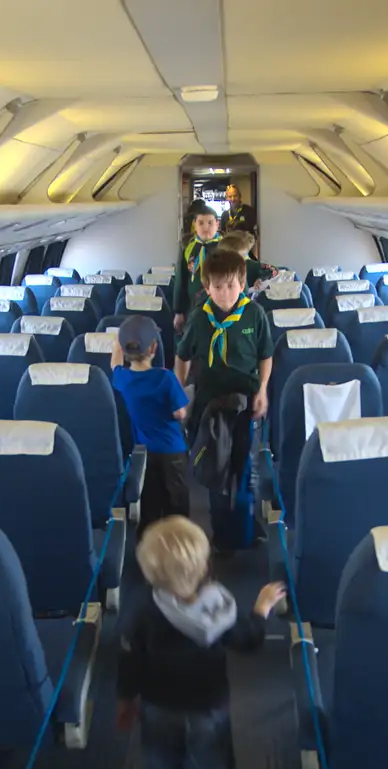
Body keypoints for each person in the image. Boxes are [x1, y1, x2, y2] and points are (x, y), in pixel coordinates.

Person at [116, 515, 287, 769]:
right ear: (205, 566)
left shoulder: (142, 610)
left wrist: (125, 699)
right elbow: (249, 640)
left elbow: (130, 661)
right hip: (209, 709)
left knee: (160, 767)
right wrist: (261, 608)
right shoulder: (217, 606)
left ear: (149, 573)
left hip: (158, 708)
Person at [175, 248, 274, 551]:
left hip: (244, 401)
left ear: (242, 284)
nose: (225, 293)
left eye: (231, 285)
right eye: (217, 287)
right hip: (209, 404)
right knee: (216, 470)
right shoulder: (200, 318)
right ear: (206, 288)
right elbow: (182, 357)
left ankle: (243, 530)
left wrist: (263, 390)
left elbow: (265, 356)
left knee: (242, 467)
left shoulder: (254, 314)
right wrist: (179, 394)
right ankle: (222, 534)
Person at [109, 316, 191, 525]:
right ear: (154, 348)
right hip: (172, 452)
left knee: (150, 506)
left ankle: (150, 550)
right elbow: (180, 413)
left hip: (144, 454)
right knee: (176, 507)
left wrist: (118, 343)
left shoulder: (122, 379)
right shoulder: (165, 378)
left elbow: (114, 364)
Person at [171, 206, 223, 333]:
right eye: (201, 223)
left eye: (210, 223)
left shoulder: (226, 247)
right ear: (195, 225)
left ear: (217, 224)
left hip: (220, 304)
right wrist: (179, 311)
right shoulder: (188, 248)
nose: (206, 227)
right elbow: (181, 280)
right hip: (192, 305)